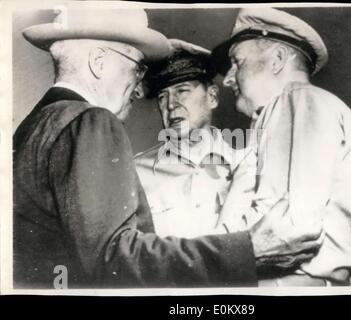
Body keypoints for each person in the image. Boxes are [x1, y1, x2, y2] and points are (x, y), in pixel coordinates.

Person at [13, 5, 323, 288]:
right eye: (137, 68)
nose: (137, 89)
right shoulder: (92, 121)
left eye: (183, 91)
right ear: (98, 62)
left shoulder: (32, 126)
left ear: (212, 97)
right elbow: (113, 258)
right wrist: (248, 251)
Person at [212, 8, 351, 285]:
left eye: (237, 62)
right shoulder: (296, 109)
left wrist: (210, 262)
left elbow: (290, 227)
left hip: (290, 281)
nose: (227, 79)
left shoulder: (296, 101)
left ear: (277, 60)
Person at [134, 40, 256, 238]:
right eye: (162, 97)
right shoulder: (137, 172)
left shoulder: (245, 165)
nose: (171, 105)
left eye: (182, 91)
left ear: (212, 97)